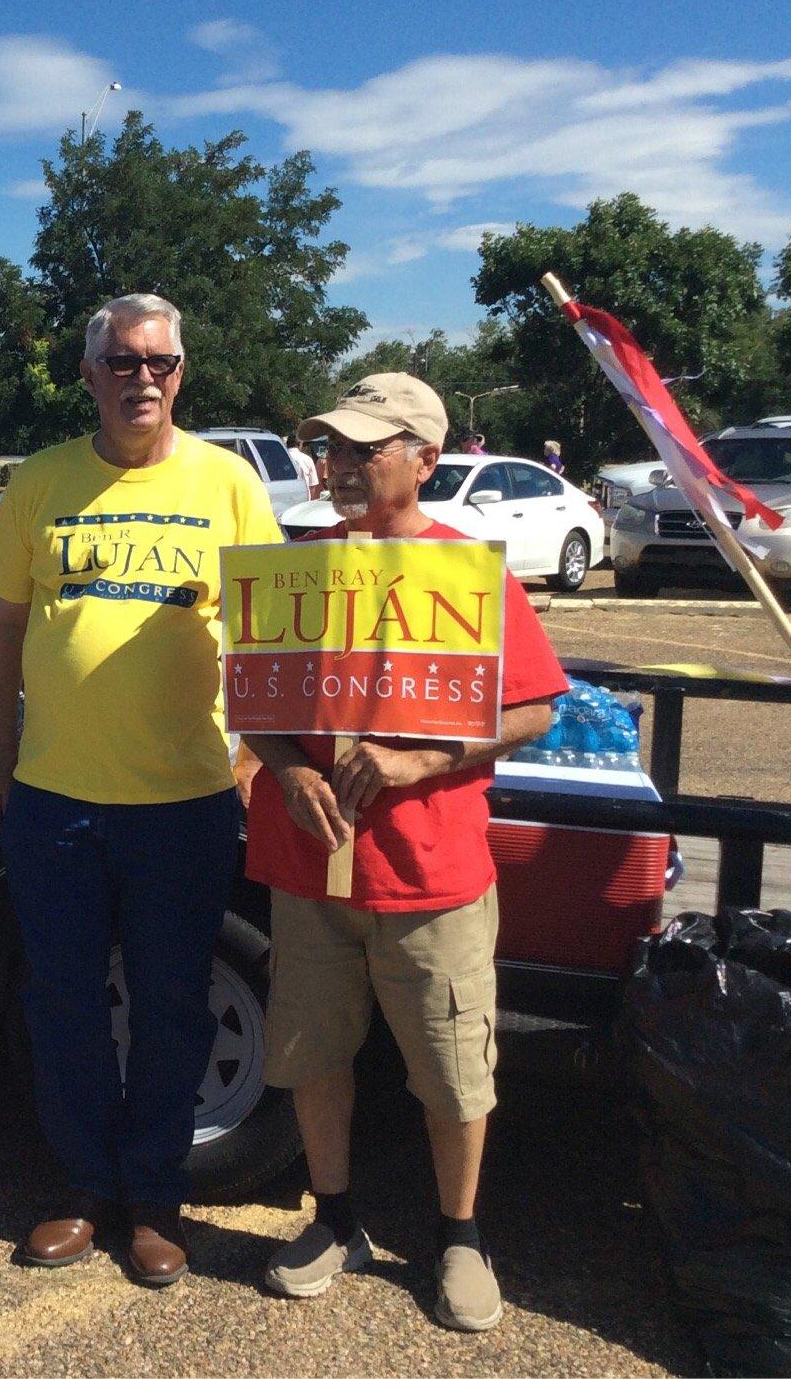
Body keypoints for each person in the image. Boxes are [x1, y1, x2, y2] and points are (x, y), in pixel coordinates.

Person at [0, 293, 281, 1287]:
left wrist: (253, 756)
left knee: (171, 1006)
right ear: (89, 374)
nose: (139, 377)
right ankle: (80, 1189)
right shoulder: (42, 483)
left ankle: (152, 1197)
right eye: (119, 361)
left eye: (158, 361)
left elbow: (272, 632)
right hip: (54, 798)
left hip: (185, 801)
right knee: (61, 1001)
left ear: (180, 373)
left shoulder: (228, 485)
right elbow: (8, 626)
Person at [242, 373, 565, 1332]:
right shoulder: (295, 568)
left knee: (453, 1069)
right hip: (309, 867)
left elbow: (535, 707)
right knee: (311, 1053)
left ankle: (459, 1237)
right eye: (331, 448)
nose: (338, 464)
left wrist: (415, 760)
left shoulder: (471, 573)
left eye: (362, 449)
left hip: (433, 873)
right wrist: (286, 773)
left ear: (425, 459)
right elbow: (254, 706)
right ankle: (334, 1218)